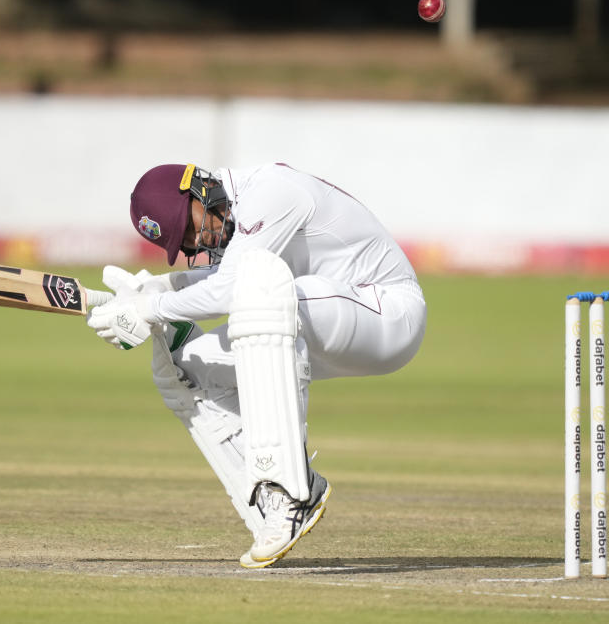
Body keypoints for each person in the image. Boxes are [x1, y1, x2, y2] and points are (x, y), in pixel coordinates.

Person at [85, 163, 426, 568]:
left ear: (198, 187)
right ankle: (268, 507)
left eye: (189, 226)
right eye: (186, 241)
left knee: (263, 298)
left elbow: (231, 289)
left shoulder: (269, 191)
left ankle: (290, 489)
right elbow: (229, 279)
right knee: (189, 372)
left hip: (387, 311)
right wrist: (158, 288)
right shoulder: (233, 207)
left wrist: (151, 308)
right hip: (320, 315)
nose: (197, 241)